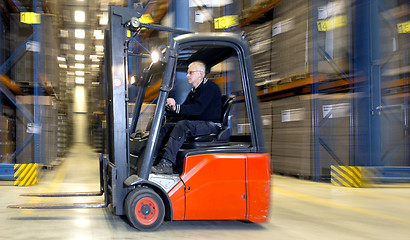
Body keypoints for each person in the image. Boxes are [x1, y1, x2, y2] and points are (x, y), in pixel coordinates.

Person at [151, 61, 222, 174]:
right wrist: (171, 110)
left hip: (211, 124)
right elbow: (185, 109)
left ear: (200, 73)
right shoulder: (194, 91)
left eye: (190, 73)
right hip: (199, 123)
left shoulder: (210, 88)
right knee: (167, 126)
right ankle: (152, 159)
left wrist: (178, 108)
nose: (187, 75)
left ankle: (167, 163)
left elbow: (198, 109)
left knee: (182, 125)